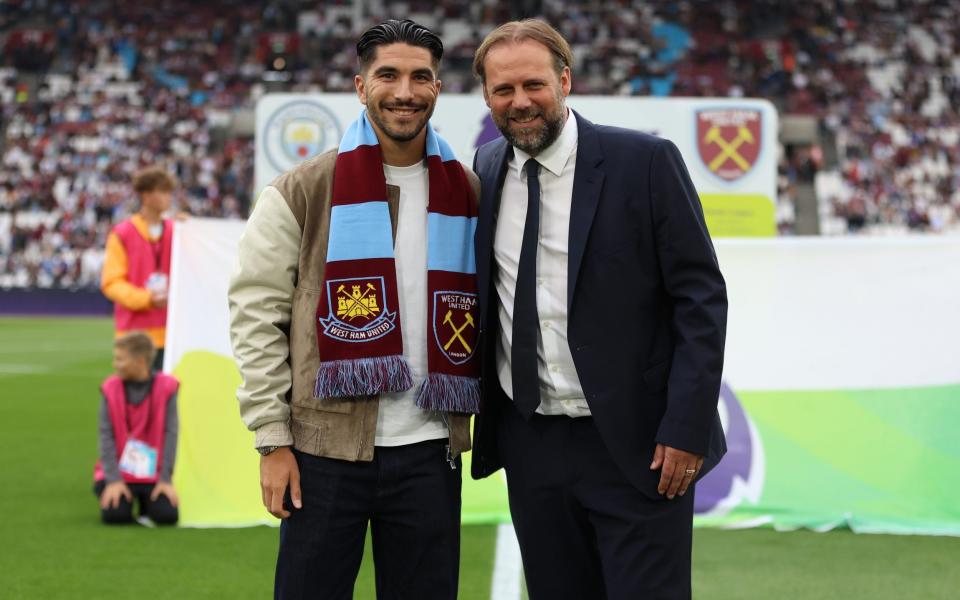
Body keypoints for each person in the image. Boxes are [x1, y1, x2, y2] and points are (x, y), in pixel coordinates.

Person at [469, 20, 728, 599]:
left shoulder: (647, 162)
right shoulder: (484, 169)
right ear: (486, 97)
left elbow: (700, 299)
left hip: (639, 445)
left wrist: (685, 427)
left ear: (565, 79)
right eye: (503, 90)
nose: (520, 102)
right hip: (532, 444)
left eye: (533, 84)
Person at [228, 19, 481, 600]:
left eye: (421, 77)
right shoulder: (303, 189)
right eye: (388, 75)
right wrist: (272, 440)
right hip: (322, 452)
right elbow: (255, 316)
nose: (405, 91)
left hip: (429, 449)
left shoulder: (466, 190)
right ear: (360, 86)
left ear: (437, 89)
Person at [93, 331, 180, 526]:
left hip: (153, 474)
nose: (115, 364)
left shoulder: (167, 387)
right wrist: (113, 480)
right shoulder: (110, 388)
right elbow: (105, 436)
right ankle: (126, 497)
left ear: (140, 361)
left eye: (120, 359)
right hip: (118, 472)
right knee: (115, 515)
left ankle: (146, 501)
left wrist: (165, 479)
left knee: (167, 516)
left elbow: (171, 433)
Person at [101, 165, 177, 372]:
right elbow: (111, 283)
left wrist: (195, 227)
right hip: (133, 335)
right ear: (146, 195)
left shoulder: (177, 230)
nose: (168, 197)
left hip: (171, 333)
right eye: (162, 191)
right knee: (134, 399)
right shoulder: (122, 233)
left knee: (165, 398)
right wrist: (147, 299)